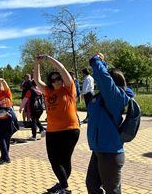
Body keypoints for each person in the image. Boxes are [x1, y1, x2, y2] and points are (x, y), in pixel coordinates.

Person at [85, 53, 133, 194]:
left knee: (112, 190)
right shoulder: (105, 97)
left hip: (110, 151)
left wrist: (96, 60)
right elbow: (104, 79)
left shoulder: (116, 97)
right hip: (99, 149)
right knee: (92, 185)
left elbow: (103, 78)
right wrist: (103, 65)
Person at [33, 55, 80, 194]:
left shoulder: (68, 89)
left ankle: (63, 187)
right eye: (54, 80)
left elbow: (62, 68)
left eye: (59, 78)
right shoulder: (47, 91)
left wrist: (48, 58)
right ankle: (63, 185)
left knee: (65, 159)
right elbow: (37, 79)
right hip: (52, 131)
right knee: (54, 159)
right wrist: (37, 64)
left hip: (70, 129)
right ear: (50, 82)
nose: (57, 81)